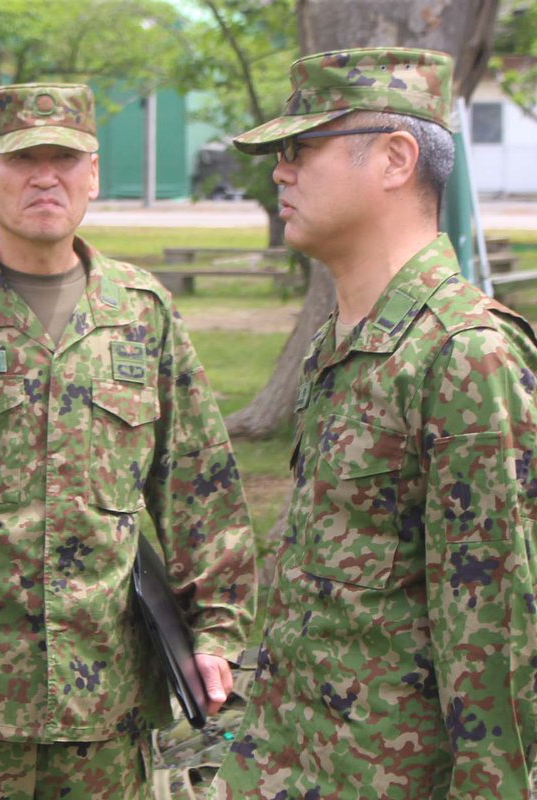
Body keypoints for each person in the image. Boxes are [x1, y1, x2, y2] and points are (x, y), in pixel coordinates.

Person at [0, 82, 256, 799]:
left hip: (108, 700)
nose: (45, 177)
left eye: (65, 158)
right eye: (23, 160)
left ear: (92, 175)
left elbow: (198, 485)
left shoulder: (142, 315)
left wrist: (217, 632)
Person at [211, 47, 537, 798]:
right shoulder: (347, 344)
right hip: (300, 768)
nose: (280, 172)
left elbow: (499, 642)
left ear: (395, 159)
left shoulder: (464, 356)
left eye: (301, 148)